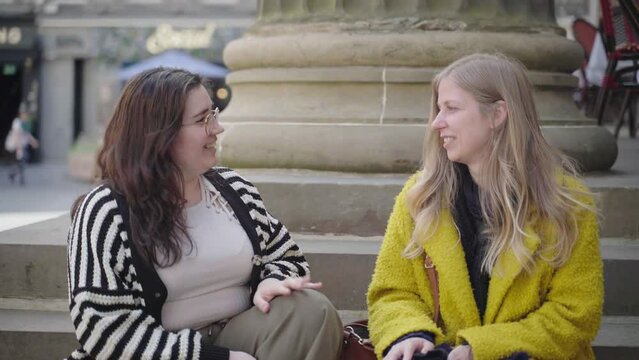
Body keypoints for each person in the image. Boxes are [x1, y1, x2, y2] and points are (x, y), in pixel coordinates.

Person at [66, 67, 343, 360]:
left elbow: (288, 258)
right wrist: (215, 358)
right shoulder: (105, 210)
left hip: (240, 336)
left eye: (214, 114)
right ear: (159, 135)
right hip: (159, 354)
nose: (217, 128)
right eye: (202, 120)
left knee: (312, 311)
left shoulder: (236, 190)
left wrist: (270, 280)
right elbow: (103, 328)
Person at [367, 54, 602, 360]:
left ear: (497, 114)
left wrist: (482, 349)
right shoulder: (419, 197)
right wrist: (408, 333)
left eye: (451, 108)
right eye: (438, 109)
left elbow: (575, 315)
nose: (437, 123)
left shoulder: (567, 205)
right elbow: (391, 292)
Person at [7, 109, 39, 185]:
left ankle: (15, 175)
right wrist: (19, 147)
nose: (25, 116)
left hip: (24, 145)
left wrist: (33, 142)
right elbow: (16, 134)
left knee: (24, 161)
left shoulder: (27, 123)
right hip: (17, 145)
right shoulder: (17, 122)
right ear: (21, 115)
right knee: (21, 161)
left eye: (26, 115)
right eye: (24, 114)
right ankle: (19, 177)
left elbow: (28, 135)